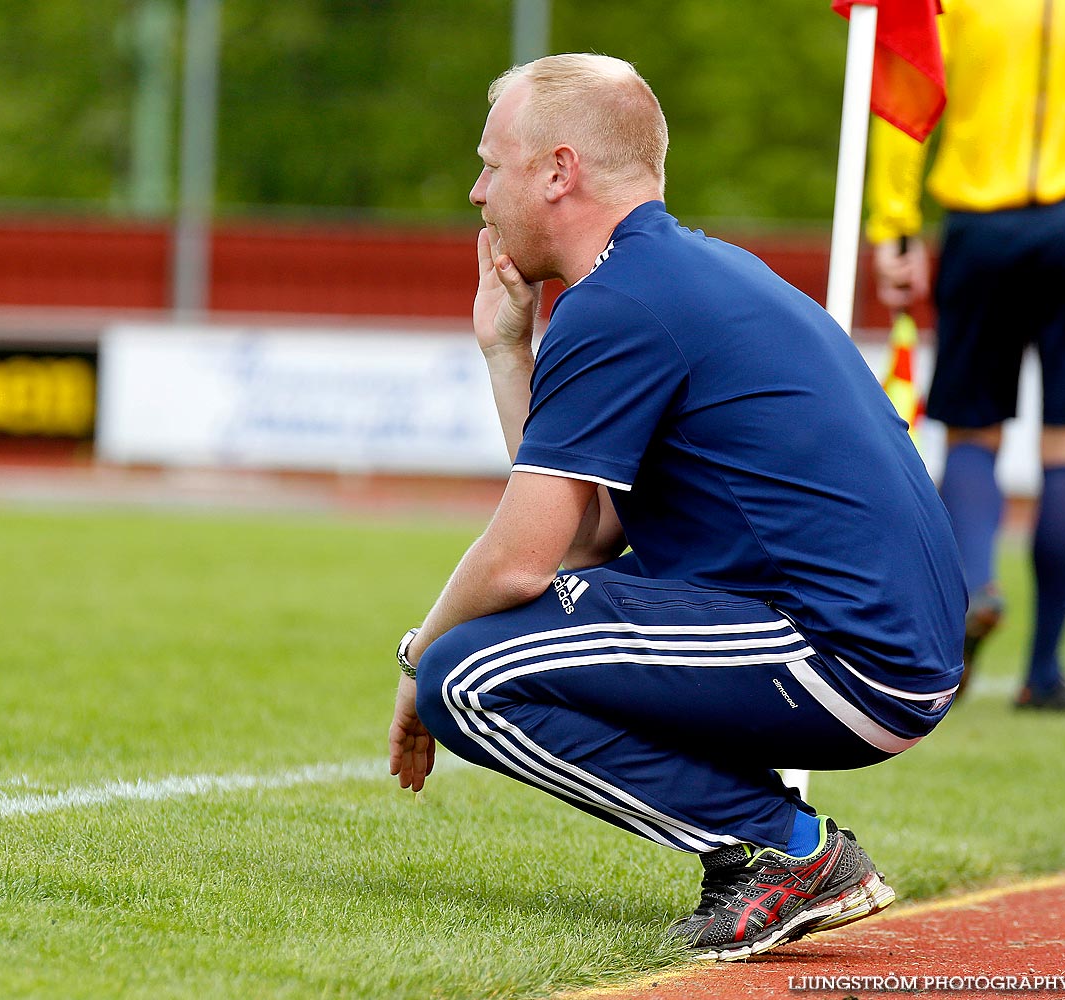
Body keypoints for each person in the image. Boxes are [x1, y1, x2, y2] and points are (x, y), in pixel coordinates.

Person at [386, 53, 966, 962]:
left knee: (467, 674)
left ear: (559, 171)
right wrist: (508, 353)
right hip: (879, 643)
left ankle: (794, 854)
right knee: (506, 640)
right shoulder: (675, 274)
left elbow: (520, 562)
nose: (475, 190)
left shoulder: (622, 301)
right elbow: (584, 537)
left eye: (491, 163)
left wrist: (415, 662)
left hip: (851, 653)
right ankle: (774, 847)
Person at [866, 0, 1065, 711]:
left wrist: (892, 223)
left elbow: (907, 88)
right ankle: (1044, 671)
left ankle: (977, 587)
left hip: (981, 233)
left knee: (971, 433)